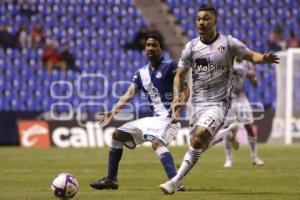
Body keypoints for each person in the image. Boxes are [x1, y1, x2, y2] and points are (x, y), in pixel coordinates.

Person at [159, 4, 279, 194]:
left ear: (215, 20)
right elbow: (179, 75)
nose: (201, 22)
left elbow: (251, 56)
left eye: (206, 18)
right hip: (197, 103)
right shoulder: (191, 46)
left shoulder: (229, 43)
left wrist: (264, 58)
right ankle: (226, 134)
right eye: (198, 19)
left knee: (198, 139)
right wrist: (177, 97)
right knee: (198, 144)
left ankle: (175, 181)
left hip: (219, 102)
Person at [89, 32, 189, 191]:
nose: (150, 48)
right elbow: (129, 93)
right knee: (117, 135)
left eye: (154, 45)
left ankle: (175, 181)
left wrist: (178, 111)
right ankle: (111, 179)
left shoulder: (170, 66)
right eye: (148, 45)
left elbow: (185, 89)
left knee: (157, 143)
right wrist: (112, 112)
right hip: (152, 120)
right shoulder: (141, 72)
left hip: (169, 119)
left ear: (161, 49)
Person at [223, 58, 264, 168]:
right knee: (228, 128)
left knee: (249, 126)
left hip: (241, 97)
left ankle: (255, 157)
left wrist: (253, 78)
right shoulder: (227, 60)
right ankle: (229, 159)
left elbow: (255, 84)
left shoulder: (247, 63)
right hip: (229, 98)